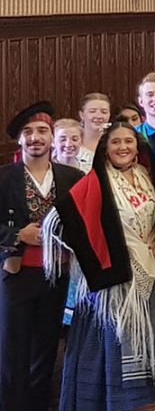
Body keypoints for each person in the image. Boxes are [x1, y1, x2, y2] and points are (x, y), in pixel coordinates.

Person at [44, 122, 155, 409]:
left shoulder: (150, 175)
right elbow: (57, 220)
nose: (123, 147)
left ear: (138, 146)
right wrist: (83, 253)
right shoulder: (97, 180)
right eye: (116, 142)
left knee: (154, 347)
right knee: (115, 348)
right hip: (115, 285)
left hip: (152, 271)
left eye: (129, 141)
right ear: (105, 149)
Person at [0, 103, 84, 410]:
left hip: (57, 274)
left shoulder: (72, 177)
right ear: (19, 140)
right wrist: (17, 236)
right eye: (28, 132)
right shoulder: (4, 177)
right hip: (16, 274)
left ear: (52, 138)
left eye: (42, 131)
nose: (35, 137)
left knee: (47, 349)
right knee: (13, 350)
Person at [79, 92, 112, 157]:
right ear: (82, 115)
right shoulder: (72, 142)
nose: (99, 116)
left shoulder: (113, 140)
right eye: (92, 111)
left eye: (104, 112)